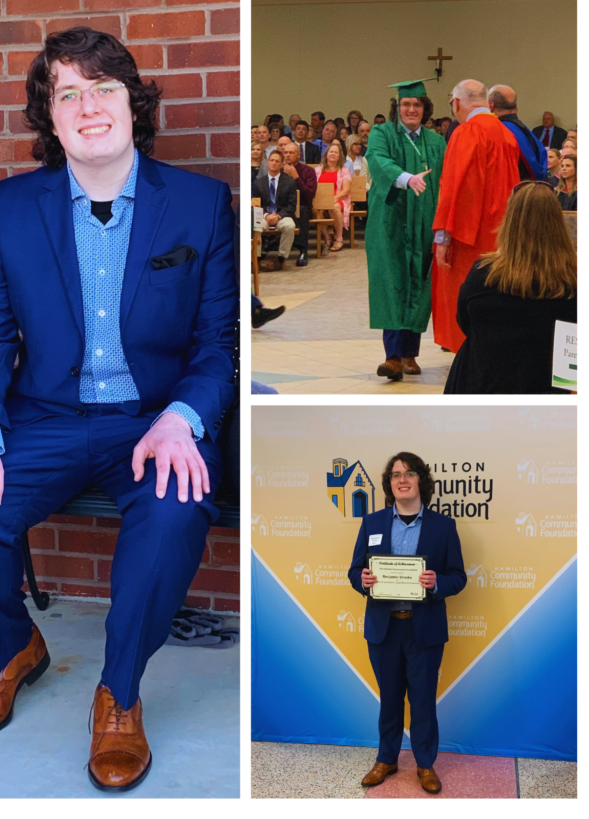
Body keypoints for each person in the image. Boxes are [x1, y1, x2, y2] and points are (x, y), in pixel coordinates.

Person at [0, 27, 237, 792]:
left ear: (132, 104)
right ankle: (7, 654)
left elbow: (218, 344)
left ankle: (120, 692)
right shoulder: (7, 209)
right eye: (68, 93)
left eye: (103, 88)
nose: (88, 106)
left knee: (173, 507)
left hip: (154, 418)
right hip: (45, 419)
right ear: (51, 118)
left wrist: (184, 416)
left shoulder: (200, 205)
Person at [348, 453, 467, 795]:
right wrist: (364, 580)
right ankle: (386, 759)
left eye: (410, 473)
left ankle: (425, 764)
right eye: (396, 474)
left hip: (424, 628)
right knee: (389, 699)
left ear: (421, 482)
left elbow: (458, 577)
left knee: (423, 700)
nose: (403, 479)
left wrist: (437, 583)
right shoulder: (371, 523)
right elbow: (354, 571)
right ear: (389, 484)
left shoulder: (443, 527)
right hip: (385, 628)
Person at [444, 183, 576, 394]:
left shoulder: (482, 274)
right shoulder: (572, 281)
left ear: (510, 222)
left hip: (480, 385)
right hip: (545, 392)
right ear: (558, 223)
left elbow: (464, 322)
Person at [365, 80, 446, 381]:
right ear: (397, 108)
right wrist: (406, 178)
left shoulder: (437, 142)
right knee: (393, 283)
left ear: (425, 109)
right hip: (391, 224)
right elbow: (378, 162)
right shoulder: (382, 133)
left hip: (425, 222)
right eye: (405, 105)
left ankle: (410, 353)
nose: (411, 110)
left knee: (418, 284)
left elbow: (446, 182)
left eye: (417, 105)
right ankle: (393, 357)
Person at [431, 79, 520, 353]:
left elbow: (456, 187)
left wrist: (443, 235)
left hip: (471, 236)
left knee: (464, 298)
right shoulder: (507, 134)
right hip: (503, 234)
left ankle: (467, 354)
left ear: (457, 103)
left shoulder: (466, 132)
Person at [489, 84, 546, 181]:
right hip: (534, 190)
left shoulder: (500, 132)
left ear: (491, 105)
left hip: (516, 191)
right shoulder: (526, 131)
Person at [254, 150, 298, 271]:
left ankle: (281, 258)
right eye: (271, 160)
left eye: (277, 161)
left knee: (289, 226)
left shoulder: (289, 182)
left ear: (282, 164)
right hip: (264, 215)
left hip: (282, 215)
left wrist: (278, 216)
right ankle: (256, 259)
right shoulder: (258, 183)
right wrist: (266, 215)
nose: (274, 163)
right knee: (256, 226)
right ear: (267, 163)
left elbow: (291, 205)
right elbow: (255, 205)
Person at [278, 139, 317, 267]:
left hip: (302, 207)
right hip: (282, 207)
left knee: (302, 210)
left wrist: (296, 177)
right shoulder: (278, 171)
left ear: (299, 155)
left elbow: (309, 195)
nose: (288, 155)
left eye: (291, 152)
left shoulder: (308, 171)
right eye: (285, 152)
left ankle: (303, 251)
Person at [316, 142, 351, 252]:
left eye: (336, 152)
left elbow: (346, 190)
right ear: (326, 154)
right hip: (321, 199)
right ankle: (327, 236)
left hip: (339, 198)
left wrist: (334, 198)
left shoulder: (344, 170)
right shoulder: (318, 170)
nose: (333, 154)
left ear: (339, 155)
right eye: (331, 151)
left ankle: (339, 238)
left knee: (334, 207)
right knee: (316, 209)